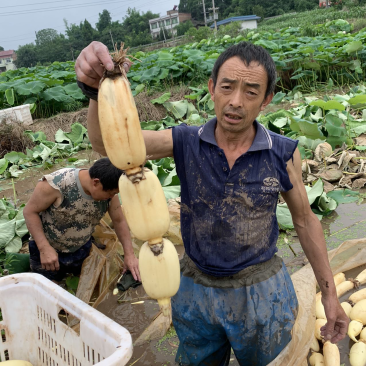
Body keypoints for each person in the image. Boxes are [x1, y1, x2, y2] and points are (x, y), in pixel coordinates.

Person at [75, 41, 348, 365]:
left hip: (261, 290)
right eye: (228, 87)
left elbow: (304, 221)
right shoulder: (185, 141)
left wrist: (330, 295)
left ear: (266, 100)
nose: (235, 101)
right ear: (212, 88)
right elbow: (106, 144)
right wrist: (95, 92)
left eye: (251, 91)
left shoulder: (282, 152)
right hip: (196, 288)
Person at [23, 158, 141, 282]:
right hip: (48, 251)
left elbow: (119, 221)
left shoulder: (110, 195)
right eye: (110, 193)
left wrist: (129, 255)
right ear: (96, 182)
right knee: (49, 290)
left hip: (81, 248)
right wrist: (44, 248)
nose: (112, 197)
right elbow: (30, 212)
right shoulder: (57, 184)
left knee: (81, 287)